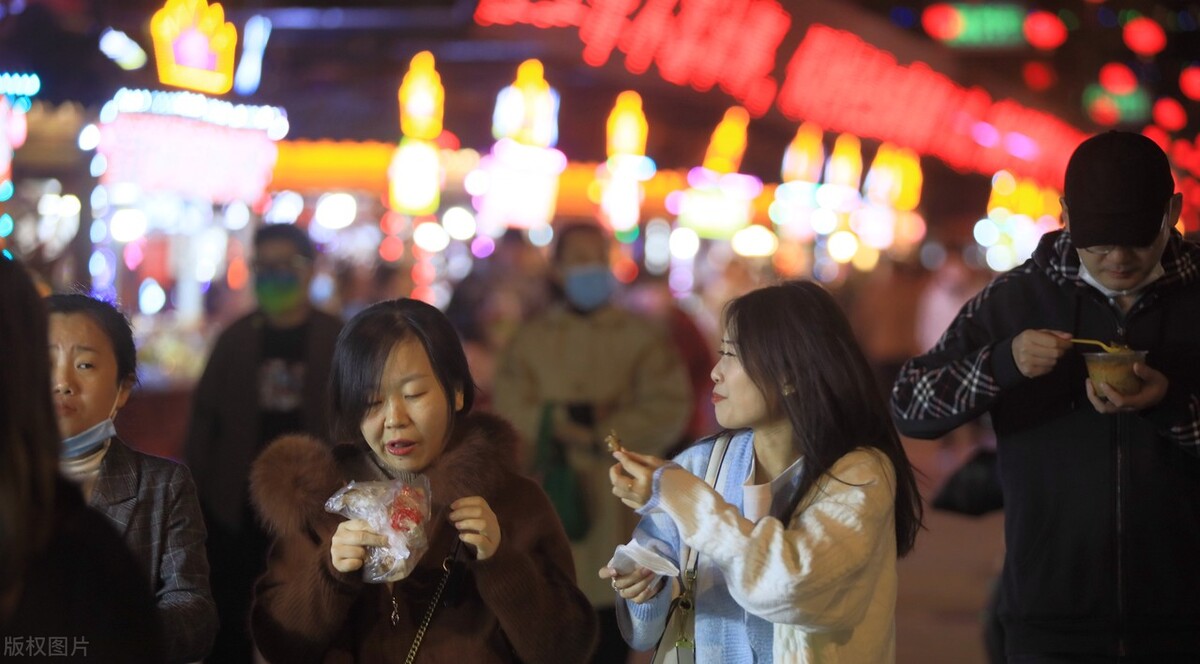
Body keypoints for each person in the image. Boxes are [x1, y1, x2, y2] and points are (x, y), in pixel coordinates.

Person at [892, 130, 1200, 662]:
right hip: (1048, 621)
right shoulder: (1017, 299)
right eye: (1099, 241)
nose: (1119, 258)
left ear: (1172, 211)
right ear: (1065, 214)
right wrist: (1003, 363)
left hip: (1186, 620)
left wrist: (1169, 405)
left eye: (1137, 238)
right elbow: (910, 404)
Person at [249, 298, 598, 662]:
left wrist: (500, 560)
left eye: (414, 394)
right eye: (371, 401)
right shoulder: (323, 505)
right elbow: (278, 645)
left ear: (457, 391)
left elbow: (566, 650)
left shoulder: (511, 500)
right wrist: (330, 573)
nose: (394, 418)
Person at [602, 280, 924, 662]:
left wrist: (678, 494)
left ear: (790, 374)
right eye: (720, 353)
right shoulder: (700, 465)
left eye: (733, 356)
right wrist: (644, 585)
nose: (716, 373)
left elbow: (790, 586)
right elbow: (645, 630)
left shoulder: (859, 475)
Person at [492, 221, 691, 663]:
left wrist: (603, 433)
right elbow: (509, 404)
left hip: (618, 503)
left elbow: (669, 405)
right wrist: (556, 423)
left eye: (597, 258)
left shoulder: (643, 337)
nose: (589, 269)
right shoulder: (531, 338)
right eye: (578, 258)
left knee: (609, 624)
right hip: (549, 492)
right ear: (558, 268)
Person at [183, 222, 343, 662]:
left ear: (310, 270)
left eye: (285, 266)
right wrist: (199, 505)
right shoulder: (234, 340)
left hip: (321, 514)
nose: (274, 276)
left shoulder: (338, 338)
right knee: (233, 620)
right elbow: (202, 427)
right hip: (237, 511)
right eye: (264, 266)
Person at [0, 257, 163, 663]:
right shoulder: (87, 551)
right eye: (48, 360)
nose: (63, 383)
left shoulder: (87, 550)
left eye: (84, 365)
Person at [46, 293, 217, 663]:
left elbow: (195, 610)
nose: (62, 382)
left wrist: (122, 630)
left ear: (123, 388)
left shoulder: (163, 486)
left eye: (85, 365)